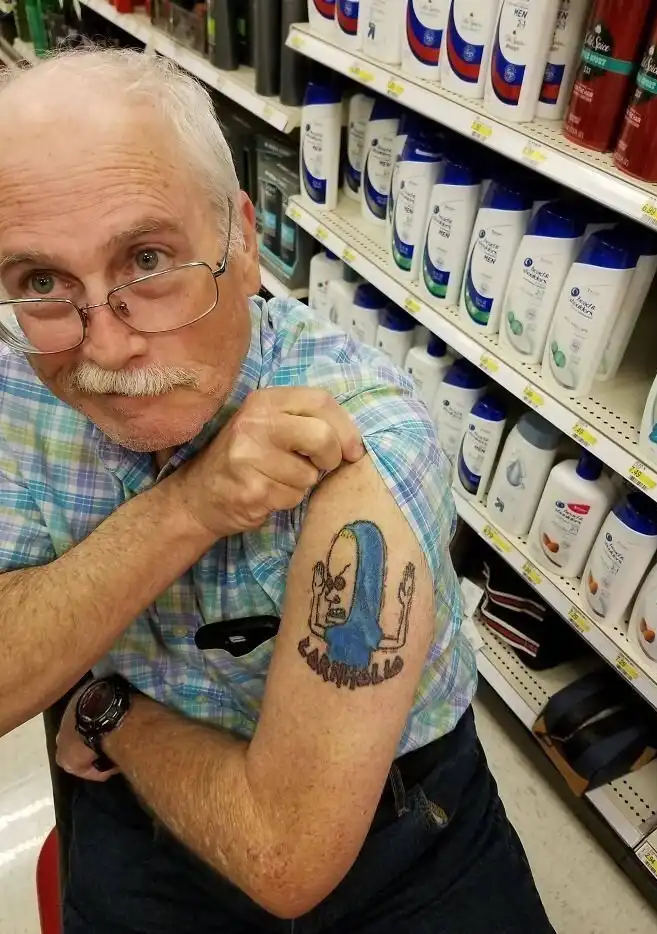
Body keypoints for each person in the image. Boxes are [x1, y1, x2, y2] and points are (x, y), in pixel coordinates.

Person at [0, 49, 555, 934]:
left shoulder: (365, 442)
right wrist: (189, 507)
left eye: (148, 258)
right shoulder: (17, 387)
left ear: (245, 242)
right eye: (41, 282)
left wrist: (109, 714)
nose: (103, 348)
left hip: (396, 822)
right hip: (139, 815)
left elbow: (284, 852)